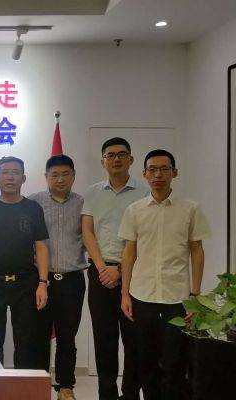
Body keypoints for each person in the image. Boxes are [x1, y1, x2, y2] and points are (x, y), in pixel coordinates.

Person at [119, 149, 209, 400]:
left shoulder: (190, 209)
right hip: (142, 296)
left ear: (174, 173)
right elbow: (129, 253)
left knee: (174, 363)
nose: (158, 174)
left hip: (176, 298)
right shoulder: (134, 210)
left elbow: (197, 251)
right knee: (145, 362)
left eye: (164, 169)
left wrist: (195, 295)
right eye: (152, 169)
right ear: (144, 174)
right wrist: (125, 294)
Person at [81, 137, 149, 400]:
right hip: (100, 274)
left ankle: (130, 394)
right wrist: (102, 268)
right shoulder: (92, 192)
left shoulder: (144, 192)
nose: (116, 159)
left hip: (135, 274)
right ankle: (106, 395)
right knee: (104, 340)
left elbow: (146, 236)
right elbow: (87, 232)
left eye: (122, 154)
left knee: (134, 341)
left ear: (131, 159)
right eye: (110, 155)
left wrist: (120, 270)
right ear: (103, 161)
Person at [0, 156, 49, 369]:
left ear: (23, 178)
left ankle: (21, 385)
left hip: (26, 282)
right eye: (5, 172)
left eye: (15, 173)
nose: (10, 177)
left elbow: (41, 247)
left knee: (25, 340)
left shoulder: (33, 208)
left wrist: (43, 283)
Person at [27, 154, 87, 400]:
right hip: (41, 280)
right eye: (55, 175)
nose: (60, 179)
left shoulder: (84, 203)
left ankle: (65, 386)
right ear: (46, 177)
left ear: (73, 175)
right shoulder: (33, 203)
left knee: (67, 336)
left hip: (72, 280)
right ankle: (39, 384)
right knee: (38, 335)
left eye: (65, 174)